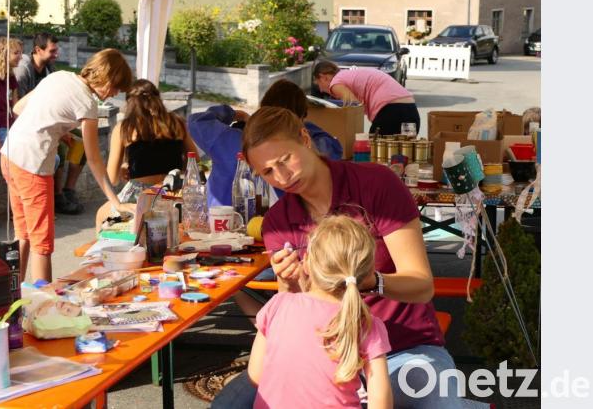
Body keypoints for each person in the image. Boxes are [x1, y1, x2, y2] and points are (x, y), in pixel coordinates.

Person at [212, 107, 461, 408]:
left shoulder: (376, 185)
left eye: (284, 160)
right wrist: (288, 284)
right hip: (320, 351)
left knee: (437, 402)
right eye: (267, 172)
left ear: (304, 139)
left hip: (402, 345)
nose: (282, 177)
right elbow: (292, 310)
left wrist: (372, 282)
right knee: (228, 405)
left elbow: (422, 286)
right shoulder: (279, 221)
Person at [1, 48, 134, 283]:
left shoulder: (58, 76)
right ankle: (44, 306)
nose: (113, 94)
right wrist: (116, 202)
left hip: (10, 154)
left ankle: (14, 295)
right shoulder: (86, 104)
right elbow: (94, 159)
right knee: (42, 244)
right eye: (115, 88)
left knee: (24, 234)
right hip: (33, 165)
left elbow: (19, 108)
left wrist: (58, 129)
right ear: (107, 78)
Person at [248, 215, 392, 409]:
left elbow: (256, 374)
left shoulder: (278, 304)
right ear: (366, 275)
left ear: (306, 262)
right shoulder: (366, 324)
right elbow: (380, 400)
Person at [187, 79, 343, 208]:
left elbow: (197, 121)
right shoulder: (304, 146)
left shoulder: (227, 138)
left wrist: (234, 114)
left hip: (219, 225)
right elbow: (334, 148)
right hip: (275, 227)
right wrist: (299, 123)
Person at [95, 79, 197, 231]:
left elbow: (112, 179)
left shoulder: (124, 128)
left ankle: (104, 252)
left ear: (129, 102)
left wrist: (125, 166)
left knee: (102, 215)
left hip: (140, 198)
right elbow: (193, 160)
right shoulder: (177, 122)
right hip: (173, 193)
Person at [14, 32, 85, 215]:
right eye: (52, 50)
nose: (57, 54)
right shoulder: (24, 70)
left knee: (82, 144)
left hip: (49, 122)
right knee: (59, 148)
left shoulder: (49, 68)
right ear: (38, 50)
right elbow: (18, 108)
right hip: (29, 126)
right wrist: (61, 133)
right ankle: (58, 196)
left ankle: (69, 189)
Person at [313, 60, 420, 136]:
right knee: (406, 158)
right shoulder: (349, 75)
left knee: (378, 156)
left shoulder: (336, 83)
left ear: (323, 77)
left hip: (391, 112)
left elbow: (354, 106)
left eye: (318, 84)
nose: (321, 90)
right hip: (411, 111)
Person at [0, 37, 23, 145]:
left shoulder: (11, 77)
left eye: (21, 53)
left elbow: (16, 107)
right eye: (16, 53)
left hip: (11, 126)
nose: (21, 57)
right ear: (3, 55)